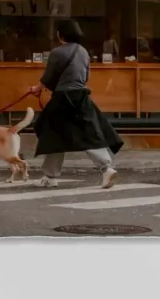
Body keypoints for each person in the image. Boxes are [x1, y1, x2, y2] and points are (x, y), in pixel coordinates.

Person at [28, 20, 124, 189]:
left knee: (53, 135)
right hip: (82, 97)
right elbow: (86, 76)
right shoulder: (84, 52)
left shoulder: (57, 52)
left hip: (62, 98)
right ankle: (107, 168)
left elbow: (48, 77)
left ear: (60, 35)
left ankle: (50, 176)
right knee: (89, 133)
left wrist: (36, 89)